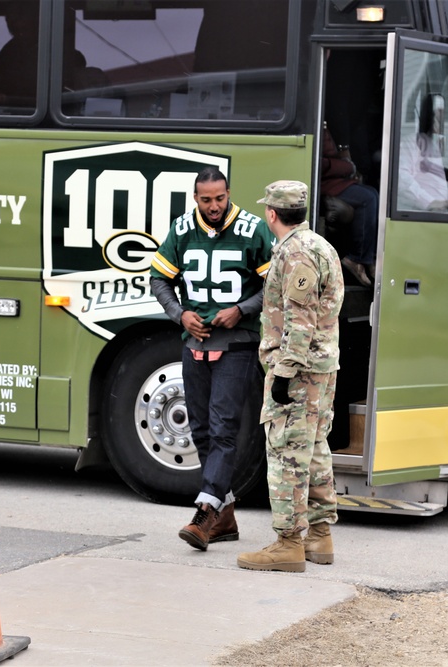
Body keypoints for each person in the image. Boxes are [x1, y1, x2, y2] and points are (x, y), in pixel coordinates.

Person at [150, 167, 275, 551]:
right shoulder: (183, 228)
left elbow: (274, 284)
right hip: (194, 343)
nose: (215, 206)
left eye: (220, 198)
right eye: (206, 200)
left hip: (236, 342)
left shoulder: (254, 229)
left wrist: (240, 309)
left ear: (228, 193)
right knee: (200, 430)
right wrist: (180, 313)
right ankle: (226, 515)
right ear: (196, 198)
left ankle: (205, 510)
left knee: (223, 428)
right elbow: (159, 279)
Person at [237, 180, 343, 573]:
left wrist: (283, 372)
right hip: (322, 369)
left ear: (272, 213)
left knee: (286, 454)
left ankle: (288, 543)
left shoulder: (295, 252)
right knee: (314, 450)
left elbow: (300, 320)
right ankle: (319, 536)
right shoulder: (320, 246)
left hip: (298, 371)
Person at [320, 124, 378, 286]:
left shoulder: (325, 127)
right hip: (326, 184)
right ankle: (355, 258)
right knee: (367, 199)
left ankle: (368, 257)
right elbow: (322, 163)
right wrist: (348, 167)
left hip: (334, 180)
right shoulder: (316, 126)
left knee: (372, 192)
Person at [397, 92, 448, 212]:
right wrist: (429, 202)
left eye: (443, 115)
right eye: (436, 114)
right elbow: (400, 178)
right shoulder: (413, 142)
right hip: (423, 215)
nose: (439, 120)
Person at [0, 3, 38, 107]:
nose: (18, 24)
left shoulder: (63, 52)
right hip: (13, 116)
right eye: (10, 19)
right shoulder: (10, 52)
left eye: (21, 16)